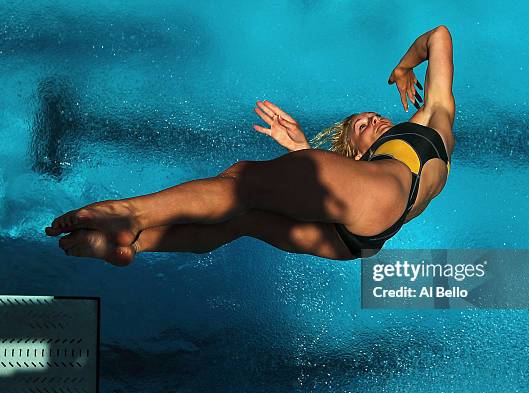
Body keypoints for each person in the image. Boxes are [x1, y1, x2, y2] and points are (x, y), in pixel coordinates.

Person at [45, 25, 456, 266]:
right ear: (358, 153)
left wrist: (403, 67)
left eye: (369, 119)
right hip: (362, 238)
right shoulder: (427, 132)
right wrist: (300, 150)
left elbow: (439, 35)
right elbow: (343, 192)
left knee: (246, 181)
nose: (372, 119)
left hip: (371, 211)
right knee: (241, 220)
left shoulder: (429, 116)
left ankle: (129, 215)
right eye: (362, 125)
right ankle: (133, 244)